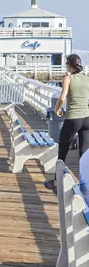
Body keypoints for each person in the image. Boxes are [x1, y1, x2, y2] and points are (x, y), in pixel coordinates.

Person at [45, 54, 89, 191]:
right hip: (87, 119)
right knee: (84, 155)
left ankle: (57, 182)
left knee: (62, 152)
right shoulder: (87, 78)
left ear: (69, 65)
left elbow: (63, 96)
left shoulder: (67, 78)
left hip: (72, 119)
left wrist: (57, 109)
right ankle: (84, 186)